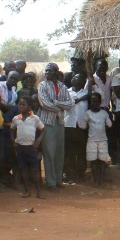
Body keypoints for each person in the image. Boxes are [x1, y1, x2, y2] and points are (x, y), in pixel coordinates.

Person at [38, 63, 72, 191]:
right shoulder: (42, 85)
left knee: (59, 153)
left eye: (49, 70)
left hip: (60, 123)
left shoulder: (62, 86)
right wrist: (60, 108)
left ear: (56, 72)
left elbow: (70, 104)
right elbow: (45, 104)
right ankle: (50, 183)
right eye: (46, 70)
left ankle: (58, 180)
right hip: (47, 123)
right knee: (49, 153)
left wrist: (56, 103)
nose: (46, 72)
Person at [10, 96, 45, 198]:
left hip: (31, 148)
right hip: (20, 148)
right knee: (23, 169)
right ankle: (27, 191)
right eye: (20, 104)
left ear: (29, 106)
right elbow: (12, 128)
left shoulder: (35, 118)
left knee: (35, 170)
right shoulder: (16, 118)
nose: (21, 106)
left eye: (23, 104)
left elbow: (43, 129)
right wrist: (13, 139)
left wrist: (38, 141)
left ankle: (38, 192)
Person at [80, 92, 112, 186]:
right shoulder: (87, 114)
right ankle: (95, 180)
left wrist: (102, 129)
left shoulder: (104, 113)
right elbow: (83, 126)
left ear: (100, 102)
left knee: (102, 161)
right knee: (93, 161)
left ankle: (100, 180)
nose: (95, 103)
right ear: (90, 102)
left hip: (103, 140)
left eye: (97, 101)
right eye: (93, 101)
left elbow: (109, 125)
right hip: (92, 140)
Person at [64, 74, 88, 183]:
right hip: (69, 125)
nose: (74, 79)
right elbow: (67, 105)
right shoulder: (66, 92)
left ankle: (80, 173)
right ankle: (69, 174)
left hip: (82, 126)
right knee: (69, 151)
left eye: (78, 77)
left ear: (83, 81)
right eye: (73, 78)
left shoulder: (87, 93)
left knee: (81, 151)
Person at [0, 71, 20, 187]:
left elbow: (11, 107)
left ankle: (5, 178)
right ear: (7, 76)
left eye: (15, 79)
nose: (12, 80)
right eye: (11, 78)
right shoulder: (0, 85)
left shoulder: (14, 93)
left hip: (5, 124)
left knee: (5, 152)